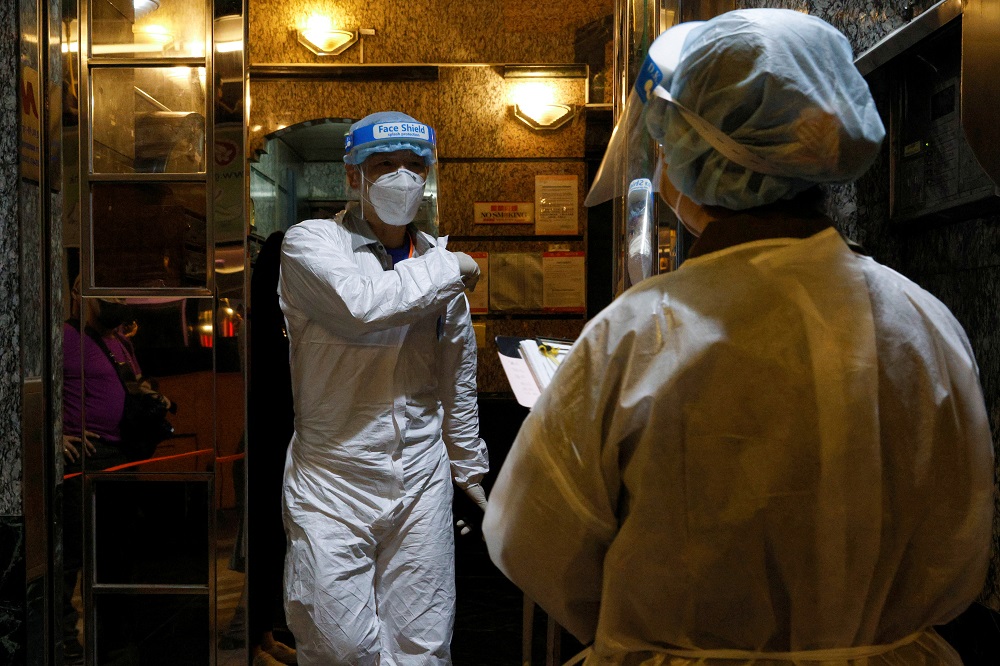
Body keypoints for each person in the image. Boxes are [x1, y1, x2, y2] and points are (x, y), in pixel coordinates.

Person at [483, 9, 994, 666]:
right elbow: (960, 542)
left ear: (694, 153)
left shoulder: (636, 334)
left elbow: (534, 545)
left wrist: (658, 630)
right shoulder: (927, 324)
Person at [278, 111, 490, 665]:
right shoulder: (311, 244)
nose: (401, 178)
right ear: (353, 176)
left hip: (421, 476)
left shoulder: (434, 261)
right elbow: (362, 305)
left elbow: (457, 375)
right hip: (333, 478)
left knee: (423, 644)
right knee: (339, 645)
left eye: (413, 165)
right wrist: (451, 268)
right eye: (384, 165)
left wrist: (468, 467)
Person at [61, 276, 169, 664]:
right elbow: (32, 388)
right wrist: (55, 434)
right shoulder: (64, 337)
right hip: (86, 460)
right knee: (73, 554)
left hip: (121, 455)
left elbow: (133, 386)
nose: (117, 302)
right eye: (106, 294)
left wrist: (151, 398)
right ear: (79, 295)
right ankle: (62, 640)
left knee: (116, 552)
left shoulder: (118, 340)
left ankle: (111, 641)